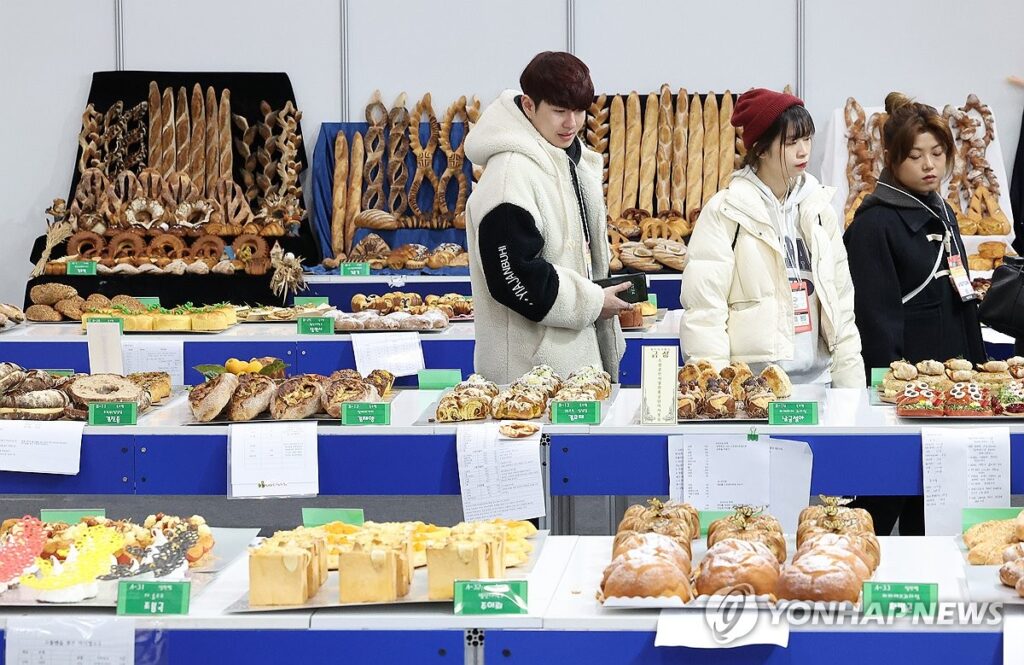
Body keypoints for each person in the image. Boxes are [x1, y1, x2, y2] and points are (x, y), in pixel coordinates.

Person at [844, 92, 986, 536]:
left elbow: (962, 300)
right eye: (916, 155)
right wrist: (890, 398)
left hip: (950, 393)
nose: (930, 166)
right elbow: (875, 322)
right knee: (882, 504)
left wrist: (977, 373)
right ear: (892, 159)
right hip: (903, 401)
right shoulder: (873, 225)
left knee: (938, 510)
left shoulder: (942, 212)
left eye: (938, 153)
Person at [680, 88, 864, 387]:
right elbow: (705, 311)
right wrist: (713, 390)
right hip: (752, 386)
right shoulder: (725, 212)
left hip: (819, 382)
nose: (804, 151)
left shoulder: (818, 210)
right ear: (761, 148)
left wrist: (850, 387)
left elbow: (840, 302)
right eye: (791, 142)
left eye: (807, 139)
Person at [463, 51, 627, 383]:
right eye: (559, 111)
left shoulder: (569, 162)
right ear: (528, 106)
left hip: (570, 379)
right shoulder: (510, 175)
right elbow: (513, 277)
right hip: (527, 384)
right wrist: (593, 301)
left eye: (580, 111)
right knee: (546, 441)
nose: (572, 123)